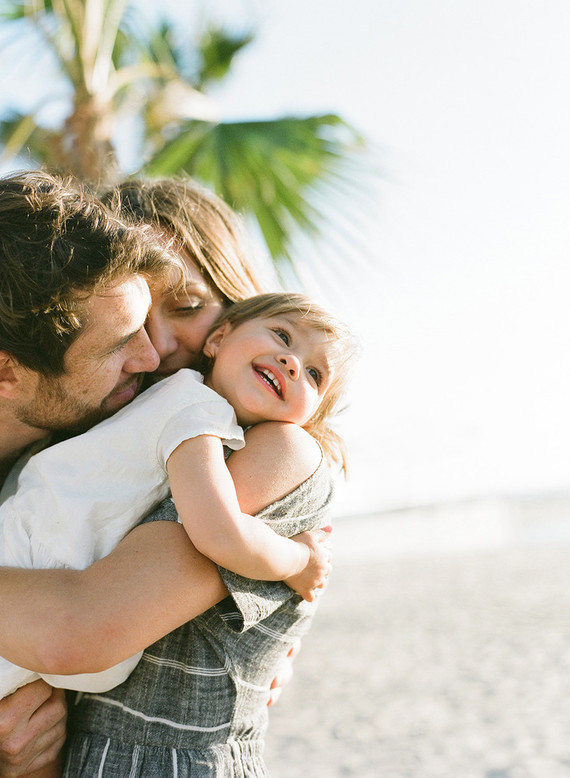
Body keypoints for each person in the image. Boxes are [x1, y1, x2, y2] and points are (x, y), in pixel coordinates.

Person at [0, 178, 347, 776]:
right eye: (130, 315)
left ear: (234, 314)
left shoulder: (260, 448)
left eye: (185, 307)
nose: (154, 346)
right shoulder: (81, 434)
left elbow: (81, 627)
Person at [0, 291, 350, 699]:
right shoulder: (196, 410)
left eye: (314, 375)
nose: (293, 362)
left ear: (310, 417)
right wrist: (299, 560)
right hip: (31, 557)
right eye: (282, 335)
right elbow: (218, 534)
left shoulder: (186, 408)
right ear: (218, 339)